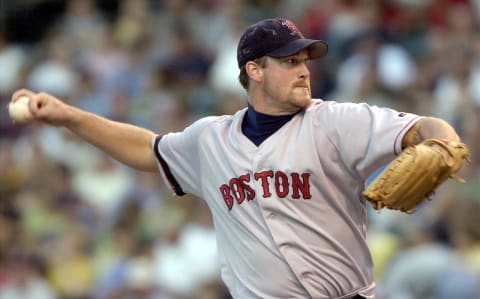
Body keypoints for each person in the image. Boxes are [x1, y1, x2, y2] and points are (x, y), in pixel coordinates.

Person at [10, 18, 464, 299]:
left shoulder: (336, 121)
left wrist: (442, 142)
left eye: (306, 58)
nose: (304, 68)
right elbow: (146, 149)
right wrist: (70, 116)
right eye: (288, 61)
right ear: (255, 70)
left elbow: (423, 126)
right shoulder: (210, 140)